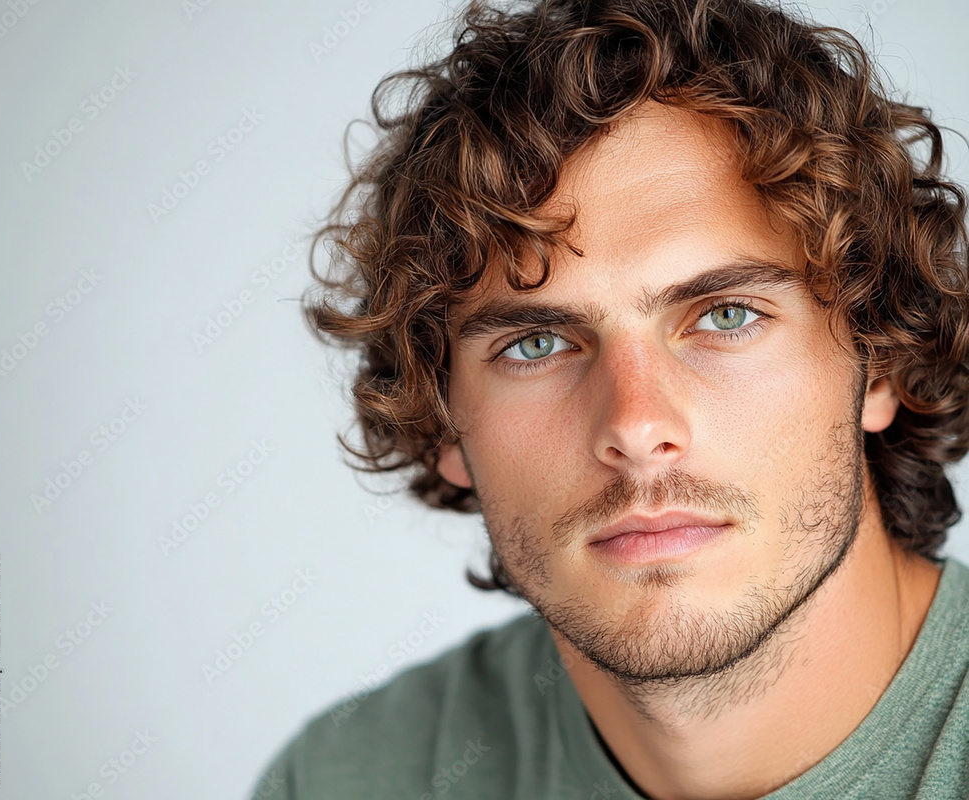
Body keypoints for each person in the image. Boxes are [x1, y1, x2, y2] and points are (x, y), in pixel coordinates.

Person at [255, 0, 969, 796]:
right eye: (536, 344)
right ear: (442, 422)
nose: (636, 425)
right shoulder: (347, 779)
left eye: (726, 316)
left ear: (880, 362)